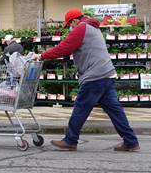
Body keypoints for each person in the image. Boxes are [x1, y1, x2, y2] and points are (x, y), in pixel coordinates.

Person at [34, 8, 139, 152]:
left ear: (75, 21)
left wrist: (42, 56)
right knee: (115, 111)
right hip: (106, 74)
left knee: (81, 108)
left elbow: (65, 47)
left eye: (70, 25)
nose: (70, 28)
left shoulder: (81, 28)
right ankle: (131, 141)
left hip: (94, 76)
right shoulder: (92, 27)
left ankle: (70, 140)